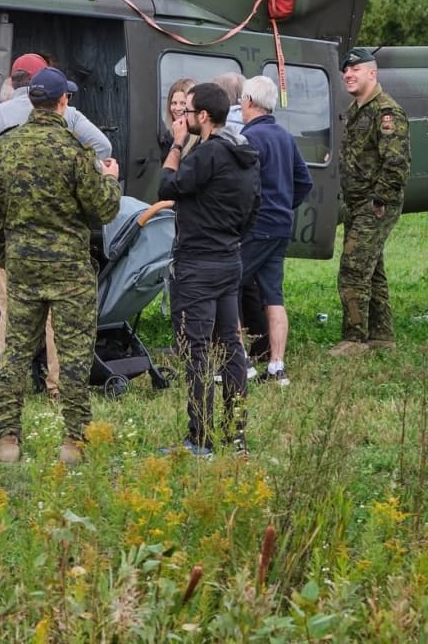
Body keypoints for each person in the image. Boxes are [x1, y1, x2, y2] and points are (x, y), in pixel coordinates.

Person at [0, 66, 121, 466]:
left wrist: (6, 255)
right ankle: (73, 442)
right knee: (73, 359)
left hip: (22, 269)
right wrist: (111, 179)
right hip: (70, 273)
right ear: (63, 102)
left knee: (16, 356)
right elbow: (105, 209)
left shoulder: (3, 149)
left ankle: (8, 439)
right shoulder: (76, 152)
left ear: (30, 101)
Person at [0, 52, 112, 374]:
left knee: (7, 307)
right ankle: (57, 383)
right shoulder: (69, 117)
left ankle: (10, 377)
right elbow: (103, 147)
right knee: (59, 315)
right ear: (58, 97)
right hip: (62, 239)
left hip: (14, 233)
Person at [158, 82, 260, 457]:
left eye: (189, 111)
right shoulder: (246, 152)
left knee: (196, 349)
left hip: (197, 263)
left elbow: (167, 186)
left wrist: (176, 144)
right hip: (229, 258)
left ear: (202, 116)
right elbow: (254, 207)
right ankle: (236, 437)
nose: (183, 117)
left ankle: (198, 438)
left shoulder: (207, 154)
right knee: (231, 346)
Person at [330, 46, 410, 357]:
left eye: (355, 70)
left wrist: (379, 202)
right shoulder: (357, 109)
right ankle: (382, 337)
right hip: (357, 202)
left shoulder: (386, 112)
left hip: (374, 205)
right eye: (346, 71)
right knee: (372, 269)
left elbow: (396, 164)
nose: (348, 75)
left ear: (372, 73)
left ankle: (355, 340)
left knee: (352, 269)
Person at [238, 74, 312, 385]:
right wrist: (283, 205)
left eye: (242, 100)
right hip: (281, 227)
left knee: (229, 284)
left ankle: (240, 359)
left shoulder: (249, 138)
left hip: (256, 227)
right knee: (274, 296)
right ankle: (276, 366)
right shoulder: (285, 136)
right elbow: (304, 181)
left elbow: (244, 187)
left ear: (250, 102)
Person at [161, 77, 196, 149]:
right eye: (174, 103)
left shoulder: (201, 142)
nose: (178, 108)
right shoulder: (166, 138)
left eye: (183, 103)